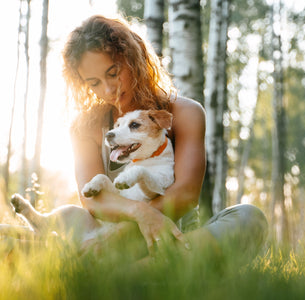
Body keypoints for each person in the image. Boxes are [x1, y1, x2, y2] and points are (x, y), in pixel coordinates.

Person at [62, 15, 268, 259]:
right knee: (67, 216)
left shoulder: (186, 113)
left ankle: (129, 274)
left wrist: (125, 233)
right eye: (94, 82)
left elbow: (185, 194)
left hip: (172, 237)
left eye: (113, 72)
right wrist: (139, 214)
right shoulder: (85, 126)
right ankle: (144, 275)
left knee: (249, 218)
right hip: (110, 239)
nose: (108, 90)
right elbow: (94, 202)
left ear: (133, 57)